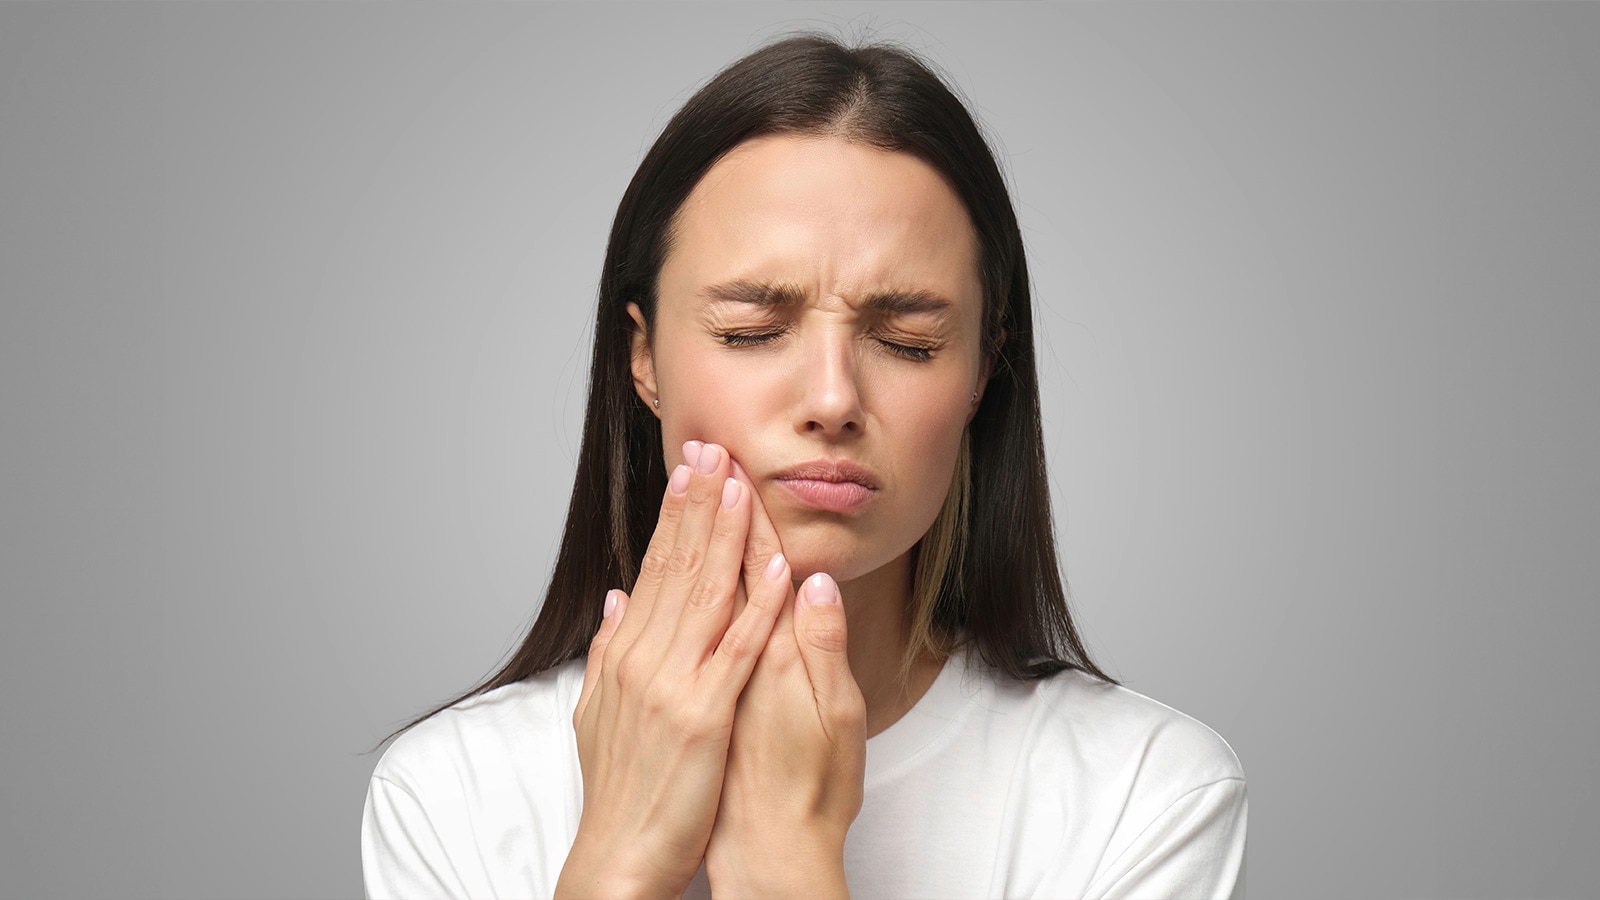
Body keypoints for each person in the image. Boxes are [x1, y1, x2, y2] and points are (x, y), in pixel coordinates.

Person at [361, 34, 1247, 899]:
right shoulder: (451, 793)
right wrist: (617, 874)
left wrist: (786, 864)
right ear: (643, 360)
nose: (832, 398)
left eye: (908, 342)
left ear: (982, 372)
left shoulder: (1148, 795)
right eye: (752, 330)